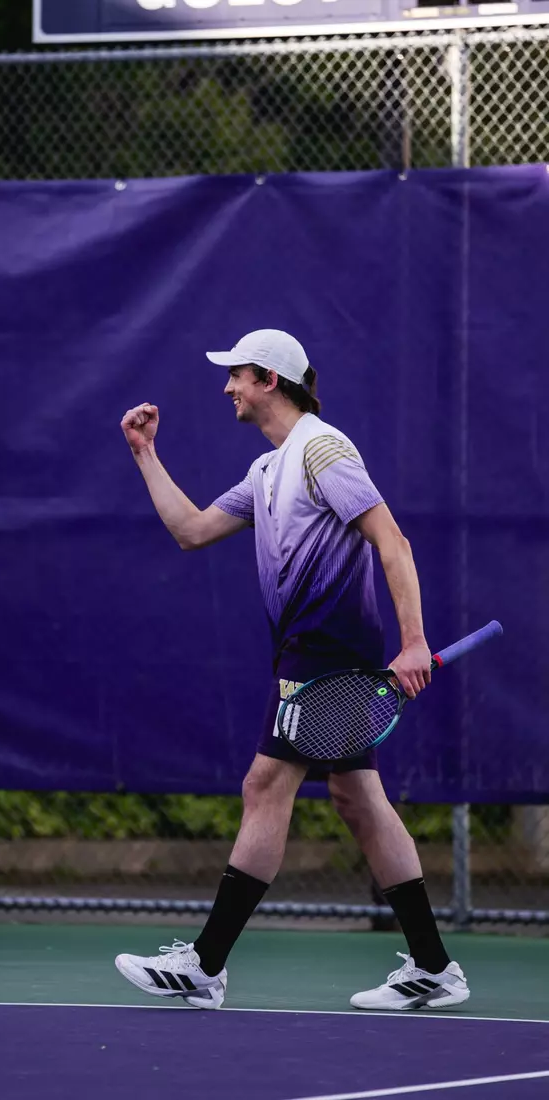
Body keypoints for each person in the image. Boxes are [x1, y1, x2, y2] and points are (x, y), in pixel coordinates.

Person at [115, 329, 469, 1012]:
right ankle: (433, 966)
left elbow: (391, 541)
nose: (228, 389)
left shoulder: (323, 450)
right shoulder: (268, 471)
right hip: (308, 653)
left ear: (269, 380)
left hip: (333, 654)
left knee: (265, 784)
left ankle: (206, 963)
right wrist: (145, 453)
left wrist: (415, 641)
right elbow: (190, 529)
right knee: (357, 799)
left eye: (238, 376)